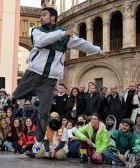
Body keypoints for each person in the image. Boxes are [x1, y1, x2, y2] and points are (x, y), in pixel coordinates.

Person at [13, 7, 107, 153]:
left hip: (49, 80)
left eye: (44, 15)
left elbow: (82, 43)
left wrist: (98, 50)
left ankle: (38, 141)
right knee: (16, 95)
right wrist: (62, 33)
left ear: (53, 18)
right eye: (41, 15)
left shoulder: (65, 36)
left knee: (44, 112)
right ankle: (31, 99)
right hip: (33, 73)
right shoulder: (37, 31)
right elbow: (42, 41)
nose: (41, 18)